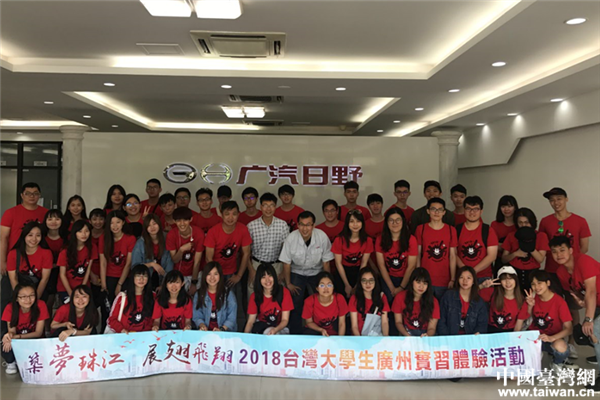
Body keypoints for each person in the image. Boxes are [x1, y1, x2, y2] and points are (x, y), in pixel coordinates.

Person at [280, 210, 334, 334]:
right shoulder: (291, 238)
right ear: (298, 225)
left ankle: (319, 330)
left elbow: (326, 262)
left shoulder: (321, 236)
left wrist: (328, 283)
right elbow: (286, 263)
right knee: (295, 302)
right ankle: (295, 333)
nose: (305, 228)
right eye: (302, 225)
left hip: (316, 272)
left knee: (320, 300)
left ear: (313, 225)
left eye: (308, 225)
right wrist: (288, 283)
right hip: (297, 272)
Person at [551, 235, 600, 373]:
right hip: (598, 303)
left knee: (594, 330)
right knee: (584, 334)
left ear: (571, 250)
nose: (559, 254)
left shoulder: (583, 261)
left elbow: (591, 291)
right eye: (554, 252)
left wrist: (588, 319)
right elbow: (579, 292)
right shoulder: (561, 272)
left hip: (596, 300)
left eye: (562, 250)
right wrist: (582, 301)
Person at [516, 270, 574, 373]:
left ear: (548, 283)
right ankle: (535, 356)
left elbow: (569, 329)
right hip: (533, 337)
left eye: (539, 283)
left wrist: (552, 338)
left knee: (561, 347)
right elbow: (522, 319)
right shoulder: (531, 298)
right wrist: (530, 306)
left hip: (552, 338)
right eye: (533, 284)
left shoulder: (559, 302)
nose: (536, 287)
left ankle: (557, 363)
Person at [539, 187, 592, 279]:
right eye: (552, 200)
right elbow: (542, 245)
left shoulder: (580, 221)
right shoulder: (545, 221)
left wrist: (572, 261)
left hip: (573, 269)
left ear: (566, 199)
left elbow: (584, 247)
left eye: (559, 199)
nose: (556, 203)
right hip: (552, 269)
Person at [1, 183, 48, 280]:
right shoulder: (10, 213)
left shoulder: (46, 213)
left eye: (35, 193)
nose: (32, 196)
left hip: (38, 262)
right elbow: (3, 238)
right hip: (15, 259)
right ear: (22, 195)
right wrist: (2, 260)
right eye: (28, 193)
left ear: (39, 195)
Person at [456, 196, 498, 302]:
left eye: (475, 209)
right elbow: (453, 254)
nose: (472, 212)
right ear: (464, 210)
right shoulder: (457, 230)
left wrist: (472, 272)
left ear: (481, 211)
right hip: (462, 278)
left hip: (484, 278)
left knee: (483, 308)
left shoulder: (488, 230)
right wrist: (466, 273)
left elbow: (492, 255)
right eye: (468, 209)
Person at [247, 193, 289, 297]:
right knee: (253, 295)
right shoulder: (251, 226)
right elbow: (246, 252)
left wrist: (283, 272)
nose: (268, 209)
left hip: (276, 265)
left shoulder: (282, 225)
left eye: (271, 205)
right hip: (256, 265)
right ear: (260, 207)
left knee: (278, 295)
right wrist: (251, 270)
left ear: (275, 207)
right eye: (265, 205)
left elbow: (286, 251)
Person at [1, 283, 49, 375]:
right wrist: (9, 336)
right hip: (18, 341)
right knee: (7, 343)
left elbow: (38, 333)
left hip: (35, 339)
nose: (28, 300)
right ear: (16, 298)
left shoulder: (40, 305)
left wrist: (18, 336)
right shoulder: (10, 308)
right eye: (23, 297)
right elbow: (12, 331)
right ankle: (11, 362)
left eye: (31, 295)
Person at [415, 198, 457, 300]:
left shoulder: (451, 230)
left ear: (444, 212)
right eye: (433, 209)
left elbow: (452, 256)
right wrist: (418, 276)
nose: (436, 212)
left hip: (444, 279)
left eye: (440, 209)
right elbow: (418, 254)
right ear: (428, 211)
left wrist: (452, 278)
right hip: (425, 279)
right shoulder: (421, 229)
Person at [205, 201, 252, 289]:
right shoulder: (213, 232)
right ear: (221, 215)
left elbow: (246, 253)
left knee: (235, 296)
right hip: (215, 272)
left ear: (238, 214)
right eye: (227, 214)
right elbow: (208, 258)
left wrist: (239, 276)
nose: (230, 217)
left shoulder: (243, 229)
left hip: (232, 272)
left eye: (234, 214)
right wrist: (215, 275)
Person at [501, 208, 549, 291]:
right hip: (514, 273)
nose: (523, 225)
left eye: (526, 222)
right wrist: (515, 254)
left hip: (533, 274)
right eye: (520, 222)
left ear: (532, 222)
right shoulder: (511, 235)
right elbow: (504, 259)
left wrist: (529, 245)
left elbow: (540, 259)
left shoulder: (541, 236)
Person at [376, 207, 418, 302]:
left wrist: (401, 287)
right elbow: (381, 265)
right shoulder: (380, 239)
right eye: (391, 220)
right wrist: (391, 287)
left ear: (403, 221)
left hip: (406, 278)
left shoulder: (411, 239)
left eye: (398, 220)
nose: (395, 223)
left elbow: (411, 266)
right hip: (388, 279)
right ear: (386, 222)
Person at [332, 210, 374, 297]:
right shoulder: (339, 240)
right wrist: (346, 284)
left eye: (358, 221)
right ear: (347, 223)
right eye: (351, 221)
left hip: (359, 271)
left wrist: (358, 283)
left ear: (362, 223)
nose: (355, 224)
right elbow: (338, 263)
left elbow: (364, 263)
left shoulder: (368, 240)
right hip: (342, 272)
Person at [6, 221, 52, 299]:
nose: (34, 239)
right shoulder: (13, 254)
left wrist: (35, 299)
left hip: (37, 288)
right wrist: (20, 297)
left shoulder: (46, 253)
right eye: (30, 235)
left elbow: (44, 279)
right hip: (19, 289)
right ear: (24, 236)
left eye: (38, 235)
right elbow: (13, 279)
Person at [244, 263, 293, 335]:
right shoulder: (254, 296)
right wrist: (244, 337)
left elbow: (285, 320)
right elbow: (251, 322)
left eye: (270, 276)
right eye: (263, 277)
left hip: (281, 328)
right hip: (262, 327)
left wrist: (275, 330)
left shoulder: (284, 292)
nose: (267, 280)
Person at [438, 266, 488, 335]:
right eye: (461, 277)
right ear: (458, 280)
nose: (465, 281)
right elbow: (441, 321)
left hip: (471, 339)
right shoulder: (448, 296)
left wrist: (477, 335)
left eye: (468, 278)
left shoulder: (479, 302)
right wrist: (447, 338)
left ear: (473, 281)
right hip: (450, 337)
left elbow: (482, 324)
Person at [99, 210, 136, 303]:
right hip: (108, 277)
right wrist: (103, 285)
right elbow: (103, 262)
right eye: (111, 223)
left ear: (123, 222)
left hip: (125, 277)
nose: (115, 226)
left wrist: (120, 284)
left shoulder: (130, 239)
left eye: (118, 222)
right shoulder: (103, 238)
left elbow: (128, 263)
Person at [56, 220, 97, 305]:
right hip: (65, 288)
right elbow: (62, 274)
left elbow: (88, 270)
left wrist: (82, 289)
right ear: (74, 233)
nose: (84, 234)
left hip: (83, 286)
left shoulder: (92, 247)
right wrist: (71, 293)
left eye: (86, 231)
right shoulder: (65, 251)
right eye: (80, 231)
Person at [165, 207, 204, 295]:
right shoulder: (171, 235)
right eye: (178, 220)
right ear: (174, 221)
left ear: (191, 219)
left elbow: (197, 262)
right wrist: (181, 250)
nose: (182, 224)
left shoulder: (198, 233)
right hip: (178, 274)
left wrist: (194, 283)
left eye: (185, 220)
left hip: (195, 274)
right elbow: (175, 260)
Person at [106, 264, 155, 333]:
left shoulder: (153, 296)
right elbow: (111, 319)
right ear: (132, 277)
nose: (141, 279)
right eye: (138, 276)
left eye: (145, 276)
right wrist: (122, 330)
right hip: (124, 336)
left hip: (145, 336)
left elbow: (155, 319)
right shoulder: (122, 297)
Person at [392, 268, 440, 337]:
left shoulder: (434, 301)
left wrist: (427, 335)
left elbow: (432, 328)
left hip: (425, 336)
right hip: (406, 333)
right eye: (418, 282)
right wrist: (407, 335)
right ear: (412, 282)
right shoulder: (400, 297)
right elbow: (398, 322)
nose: (421, 286)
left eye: (425, 283)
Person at [193, 261, 237, 332]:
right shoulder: (198, 294)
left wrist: (222, 329)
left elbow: (232, 318)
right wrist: (202, 325)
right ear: (204, 276)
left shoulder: (228, 294)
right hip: (205, 333)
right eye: (209, 274)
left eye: (215, 274)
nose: (212, 277)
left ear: (220, 275)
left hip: (224, 333)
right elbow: (197, 316)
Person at [132, 214, 173, 290]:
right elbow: (135, 267)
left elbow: (170, 265)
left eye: (154, 224)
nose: (152, 227)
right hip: (145, 279)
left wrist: (164, 285)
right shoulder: (140, 242)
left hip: (164, 278)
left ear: (159, 224)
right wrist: (151, 264)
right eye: (149, 225)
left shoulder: (167, 238)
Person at [302, 271, 348, 336]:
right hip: (316, 331)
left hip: (334, 331)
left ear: (333, 287)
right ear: (317, 288)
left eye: (329, 285)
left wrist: (340, 339)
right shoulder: (309, 301)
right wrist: (321, 330)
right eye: (322, 285)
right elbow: (309, 322)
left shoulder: (339, 298)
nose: (326, 288)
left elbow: (341, 323)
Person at [349, 266, 389, 336]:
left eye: (371, 280)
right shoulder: (354, 298)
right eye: (364, 281)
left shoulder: (382, 297)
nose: (368, 284)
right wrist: (360, 340)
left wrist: (385, 338)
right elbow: (354, 326)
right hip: (359, 337)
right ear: (360, 282)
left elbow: (384, 322)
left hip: (377, 337)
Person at [487, 266, 527, 333]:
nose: (507, 282)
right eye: (504, 279)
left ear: (516, 280)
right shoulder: (492, 292)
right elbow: (471, 293)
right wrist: (482, 286)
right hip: (491, 331)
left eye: (510, 278)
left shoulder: (522, 300)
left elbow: (517, 328)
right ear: (500, 281)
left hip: (510, 332)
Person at [88, 208, 109, 330]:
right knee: (90, 307)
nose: (98, 222)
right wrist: (91, 274)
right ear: (89, 221)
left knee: (106, 308)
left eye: (101, 219)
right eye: (95, 219)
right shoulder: (85, 234)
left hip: (105, 274)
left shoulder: (108, 235)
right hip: (89, 275)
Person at [491, 195, 519, 271]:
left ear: (515, 207)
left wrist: (503, 246)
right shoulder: (494, 224)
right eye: (503, 206)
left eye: (509, 206)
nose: (506, 209)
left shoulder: (519, 224)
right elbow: (493, 245)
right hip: (499, 260)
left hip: (518, 260)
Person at [365, 194, 385, 269]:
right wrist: (372, 265)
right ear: (368, 206)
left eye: (378, 203)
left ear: (382, 205)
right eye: (372, 204)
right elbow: (364, 248)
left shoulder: (390, 222)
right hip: (371, 263)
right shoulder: (365, 225)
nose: (375, 206)